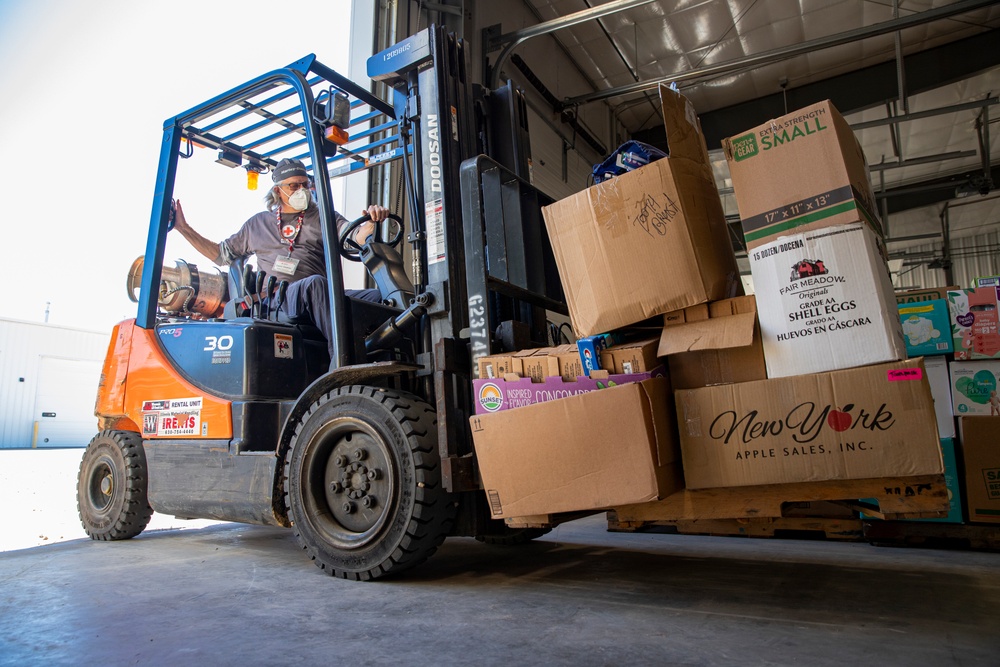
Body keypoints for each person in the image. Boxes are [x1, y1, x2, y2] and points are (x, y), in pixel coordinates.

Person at [171, 158, 388, 360]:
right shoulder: (257, 224)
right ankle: (344, 362)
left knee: (381, 297)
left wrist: (370, 222)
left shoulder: (323, 216)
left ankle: (382, 358)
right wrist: (183, 228)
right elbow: (221, 254)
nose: (302, 190)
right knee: (315, 285)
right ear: (278, 190)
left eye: (305, 184)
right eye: (294, 186)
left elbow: (353, 236)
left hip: (322, 295)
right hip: (278, 298)